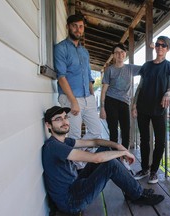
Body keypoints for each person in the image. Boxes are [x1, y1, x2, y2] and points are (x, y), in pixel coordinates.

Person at [42, 106, 164, 214]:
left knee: (104, 148)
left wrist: (117, 145)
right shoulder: (53, 146)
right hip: (71, 201)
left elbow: (95, 141)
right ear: (48, 125)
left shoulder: (63, 141)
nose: (64, 122)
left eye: (65, 117)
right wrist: (122, 152)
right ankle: (137, 194)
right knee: (110, 164)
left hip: (75, 185)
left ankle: (132, 190)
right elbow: (96, 159)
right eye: (58, 119)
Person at [54, 14, 102, 170]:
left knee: (96, 131)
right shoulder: (61, 48)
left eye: (80, 26)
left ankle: (79, 160)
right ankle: (77, 168)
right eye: (74, 25)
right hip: (70, 98)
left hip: (87, 98)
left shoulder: (84, 52)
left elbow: (88, 75)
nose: (78, 29)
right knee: (74, 135)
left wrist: (91, 95)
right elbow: (61, 77)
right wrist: (73, 101)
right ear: (68, 27)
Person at [131, 36, 170, 184]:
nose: (160, 47)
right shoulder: (147, 65)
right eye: (158, 45)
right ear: (155, 47)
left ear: (167, 49)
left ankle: (154, 171)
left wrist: (167, 94)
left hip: (159, 109)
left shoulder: (169, 67)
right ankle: (144, 169)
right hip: (143, 107)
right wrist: (134, 105)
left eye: (163, 46)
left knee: (160, 142)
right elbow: (140, 86)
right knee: (144, 140)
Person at [100, 43, 141, 150]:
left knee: (126, 130)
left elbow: (147, 69)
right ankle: (114, 157)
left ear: (125, 54)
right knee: (113, 131)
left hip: (124, 102)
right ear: (113, 55)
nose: (119, 54)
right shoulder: (109, 70)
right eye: (117, 52)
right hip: (110, 101)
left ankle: (124, 156)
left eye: (122, 52)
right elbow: (104, 90)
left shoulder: (130, 68)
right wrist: (102, 108)